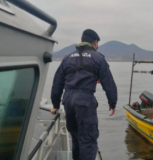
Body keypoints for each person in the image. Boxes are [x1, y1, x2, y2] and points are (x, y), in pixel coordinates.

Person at [50, 29, 117, 160]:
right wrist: (112, 103)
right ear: (95, 43)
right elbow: (108, 83)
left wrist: (55, 104)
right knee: (87, 141)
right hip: (85, 101)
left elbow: (57, 82)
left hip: (68, 100)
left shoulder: (67, 58)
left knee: (76, 139)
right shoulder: (98, 58)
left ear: (82, 41)